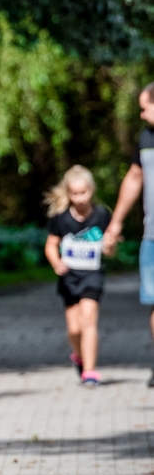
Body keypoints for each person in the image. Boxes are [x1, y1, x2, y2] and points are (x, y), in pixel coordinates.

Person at [104, 82, 154, 386]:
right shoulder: (146, 138)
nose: (141, 113)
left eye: (145, 107)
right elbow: (135, 177)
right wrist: (116, 222)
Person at [44, 165, 111, 387]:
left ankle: (90, 371)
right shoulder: (61, 218)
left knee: (88, 320)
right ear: (68, 193)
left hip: (92, 275)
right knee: (74, 329)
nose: (80, 198)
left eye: (84, 192)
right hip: (69, 277)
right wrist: (56, 262)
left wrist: (110, 246)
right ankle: (79, 356)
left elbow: (111, 247)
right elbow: (51, 245)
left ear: (92, 190)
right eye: (75, 193)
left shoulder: (102, 215)